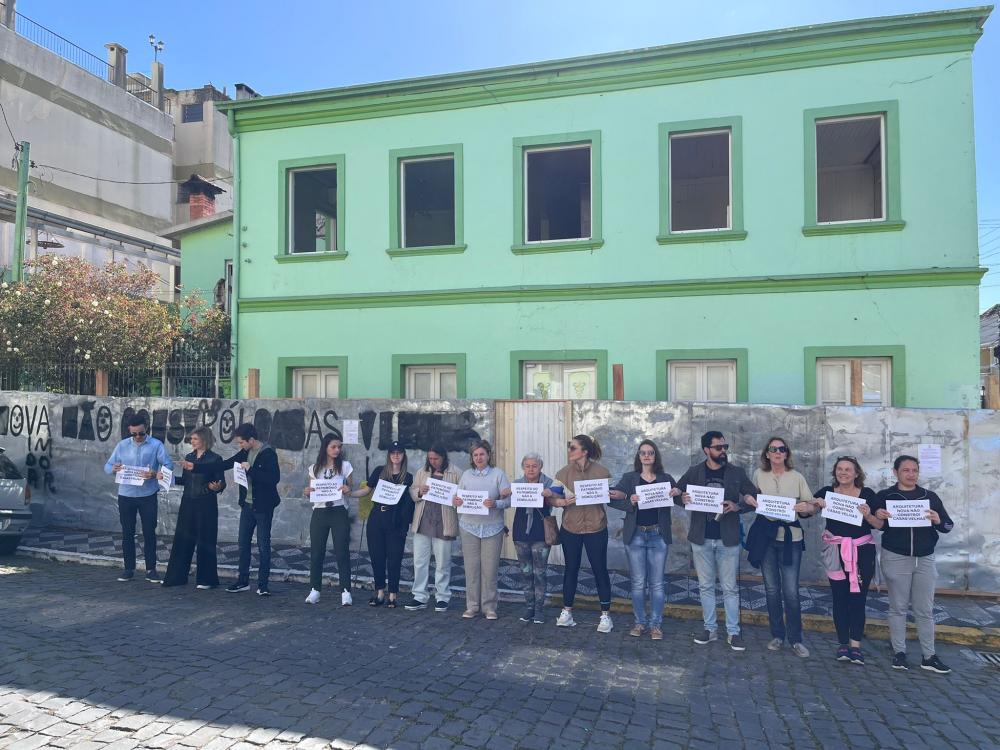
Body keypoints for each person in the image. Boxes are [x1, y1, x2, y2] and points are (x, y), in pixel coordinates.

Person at [871, 455, 955, 674]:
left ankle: (929, 656)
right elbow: (875, 523)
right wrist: (877, 514)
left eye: (914, 470)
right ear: (895, 472)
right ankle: (899, 653)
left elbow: (947, 525)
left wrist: (938, 520)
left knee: (925, 609)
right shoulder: (885, 496)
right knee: (898, 607)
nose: (911, 474)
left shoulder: (930, 496)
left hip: (925, 558)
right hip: (896, 557)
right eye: (906, 470)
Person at [675, 430, 757, 651]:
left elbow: (754, 496)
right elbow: (677, 493)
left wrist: (738, 506)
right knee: (705, 586)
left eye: (725, 447)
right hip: (701, 538)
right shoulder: (694, 472)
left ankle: (733, 632)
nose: (723, 451)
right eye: (719, 447)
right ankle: (710, 629)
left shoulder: (736, 472)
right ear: (706, 450)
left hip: (728, 538)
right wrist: (682, 499)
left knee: (730, 588)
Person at [746, 437, 817, 658]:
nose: (777, 452)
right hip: (766, 537)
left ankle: (796, 639)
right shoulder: (759, 474)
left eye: (782, 449)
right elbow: (750, 495)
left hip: (790, 539)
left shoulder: (797, 477)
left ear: (787, 454)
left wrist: (805, 507)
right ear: (767, 454)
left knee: (791, 591)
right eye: (773, 449)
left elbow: (811, 506)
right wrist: (749, 498)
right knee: (771, 589)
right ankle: (777, 635)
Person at [193, 423, 280, 596]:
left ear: (251, 440)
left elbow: (273, 478)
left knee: (263, 545)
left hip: (263, 506)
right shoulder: (245, 452)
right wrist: (195, 467)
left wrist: (251, 470)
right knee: (243, 544)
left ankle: (263, 585)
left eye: (241, 442)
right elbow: (224, 464)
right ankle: (243, 581)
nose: (240, 446)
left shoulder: (268, 454)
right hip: (247, 505)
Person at [813, 456, 881, 665]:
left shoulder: (868, 495)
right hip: (835, 552)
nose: (843, 473)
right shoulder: (827, 492)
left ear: (856, 473)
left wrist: (868, 515)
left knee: (858, 599)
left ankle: (856, 645)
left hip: (861, 552)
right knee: (839, 598)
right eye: (840, 469)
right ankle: (843, 644)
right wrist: (813, 504)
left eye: (848, 470)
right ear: (835, 472)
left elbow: (879, 524)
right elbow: (808, 509)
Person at [610, 440, 678, 641]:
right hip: (636, 535)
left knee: (657, 583)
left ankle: (655, 625)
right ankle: (640, 623)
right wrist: (629, 500)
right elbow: (614, 498)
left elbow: (680, 498)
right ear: (638, 457)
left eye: (650, 452)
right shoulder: (630, 478)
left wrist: (678, 492)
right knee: (638, 582)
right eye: (643, 453)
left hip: (658, 535)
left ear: (655, 456)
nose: (647, 456)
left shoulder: (666, 478)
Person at [549, 434, 614, 633]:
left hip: (596, 528)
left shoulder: (602, 472)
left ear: (584, 451)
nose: (569, 451)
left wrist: (618, 494)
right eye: (570, 447)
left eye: (573, 448)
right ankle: (566, 612)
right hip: (571, 528)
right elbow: (552, 497)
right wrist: (558, 502)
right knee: (571, 569)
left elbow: (613, 496)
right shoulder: (562, 473)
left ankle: (605, 615)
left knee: (599, 570)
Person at [103, 414, 173, 583]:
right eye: (134, 434)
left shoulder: (156, 445)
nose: (138, 437)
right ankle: (128, 569)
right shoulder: (122, 445)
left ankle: (151, 569)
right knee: (127, 532)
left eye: (141, 433)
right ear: (129, 431)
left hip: (148, 495)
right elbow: (107, 466)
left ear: (146, 429)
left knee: (149, 532)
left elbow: (168, 465)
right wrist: (114, 468)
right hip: (126, 495)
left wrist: (155, 474)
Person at [159, 426, 226, 589]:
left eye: (195, 439)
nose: (192, 441)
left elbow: (221, 482)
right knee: (182, 540)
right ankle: (176, 577)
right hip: (188, 502)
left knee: (206, 540)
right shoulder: (189, 457)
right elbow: (185, 480)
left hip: (206, 504)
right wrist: (168, 478)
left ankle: (206, 579)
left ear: (204, 440)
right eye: (192, 439)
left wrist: (216, 487)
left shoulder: (215, 459)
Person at [455, 440, 511, 619]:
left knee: (490, 569)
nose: (479, 458)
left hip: (492, 528)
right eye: (475, 455)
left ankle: (489, 607)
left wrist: (496, 503)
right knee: (471, 568)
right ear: (472, 458)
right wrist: (456, 502)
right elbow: (457, 499)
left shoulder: (498, 474)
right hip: (469, 527)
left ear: (488, 455)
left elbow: (508, 501)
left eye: (482, 454)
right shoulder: (466, 475)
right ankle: (472, 606)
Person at [355, 441, 413, 608]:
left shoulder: (407, 477)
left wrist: (405, 525)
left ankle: (393, 595)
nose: (396, 455)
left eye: (399, 452)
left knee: (394, 558)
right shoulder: (379, 471)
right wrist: (350, 493)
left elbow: (409, 503)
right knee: (377, 557)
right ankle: (380, 592)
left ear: (403, 455)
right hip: (377, 518)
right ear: (389, 455)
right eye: (393, 452)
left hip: (395, 521)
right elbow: (367, 490)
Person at [405, 444, 462, 612]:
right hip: (423, 520)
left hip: (444, 522)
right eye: (430, 458)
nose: (433, 461)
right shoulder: (422, 471)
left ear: (443, 457)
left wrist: (456, 499)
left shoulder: (456, 472)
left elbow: (462, 497)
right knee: (420, 561)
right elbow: (413, 491)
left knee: (442, 562)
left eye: (436, 458)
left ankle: (442, 597)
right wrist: (420, 492)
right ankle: (419, 596)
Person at [303, 432, 354, 606]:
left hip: (339, 510)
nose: (337, 450)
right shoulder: (314, 468)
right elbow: (311, 489)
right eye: (333, 446)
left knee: (342, 551)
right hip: (320, 512)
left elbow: (350, 486)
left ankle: (346, 591)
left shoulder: (345, 466)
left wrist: (347, 488)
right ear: (325, 447)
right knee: (317, 551)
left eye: (339, 447)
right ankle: (315, 589)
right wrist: (307, 492)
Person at [511, 452, 554, 625]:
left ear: (540, 467)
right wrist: (502, 496)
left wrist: (550, 494)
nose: (531, 469)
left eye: (534, 466)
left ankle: (540, 609)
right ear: (523, 467)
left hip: (541, 532)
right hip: (521, 531)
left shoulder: (548, 483)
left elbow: (559, 496)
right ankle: (529, 606)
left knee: (540, 572)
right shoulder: (517, 484)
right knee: (526, 571)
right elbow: (506, 502)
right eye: (527, 466)